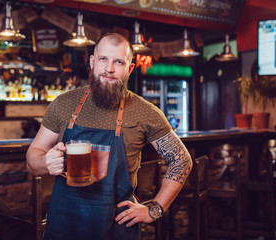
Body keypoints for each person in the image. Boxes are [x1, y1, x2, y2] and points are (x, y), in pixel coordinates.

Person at [26, 33, 192, 240]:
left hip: (115, 225)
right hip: (64, 223)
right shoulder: (64, 103)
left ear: (130, 68)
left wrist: (154, 210)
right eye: (103, 59)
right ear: (92, 62)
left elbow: (181, 160)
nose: (109, 68)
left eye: (119, 62)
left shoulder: (145, 112)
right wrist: (44, 162)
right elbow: (33, 155)